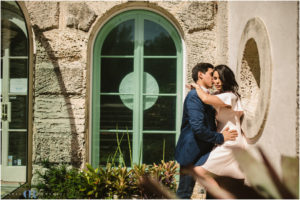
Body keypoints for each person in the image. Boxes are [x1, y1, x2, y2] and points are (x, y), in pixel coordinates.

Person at [175, 63, 238, 199]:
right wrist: (221, 138)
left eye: (217, 77)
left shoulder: (210, 95)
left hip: (207, 149)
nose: (214, 80)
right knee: (184, 193)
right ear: (200, 75)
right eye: (211, 75)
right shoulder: (194, 96)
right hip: (191, 152)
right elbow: (198, 128)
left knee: (211, 191)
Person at [189, 64, 248, 185]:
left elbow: (205, 99)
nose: (217, 81)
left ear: (227, 79)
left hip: (231, 139)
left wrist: (196, 87)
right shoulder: (219, 95)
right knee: (221, 180)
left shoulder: (230, 96)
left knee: (198, 171)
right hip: (223, 139)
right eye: (214, 78)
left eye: (220, 78)